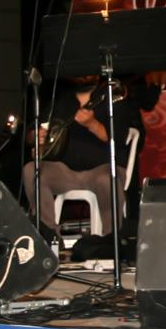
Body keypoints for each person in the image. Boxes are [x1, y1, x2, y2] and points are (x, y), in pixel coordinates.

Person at [21, 76, 135, 236]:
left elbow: (118, 138)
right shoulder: (62, 101)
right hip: (66, 171)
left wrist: (92, 124)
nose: (83, 75)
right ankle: (47, 235)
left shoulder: (112, 97)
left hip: (104, 169)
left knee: (107, 181)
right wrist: (36, 136)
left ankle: (110, 240)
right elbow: (32, 132)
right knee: (32, 170)